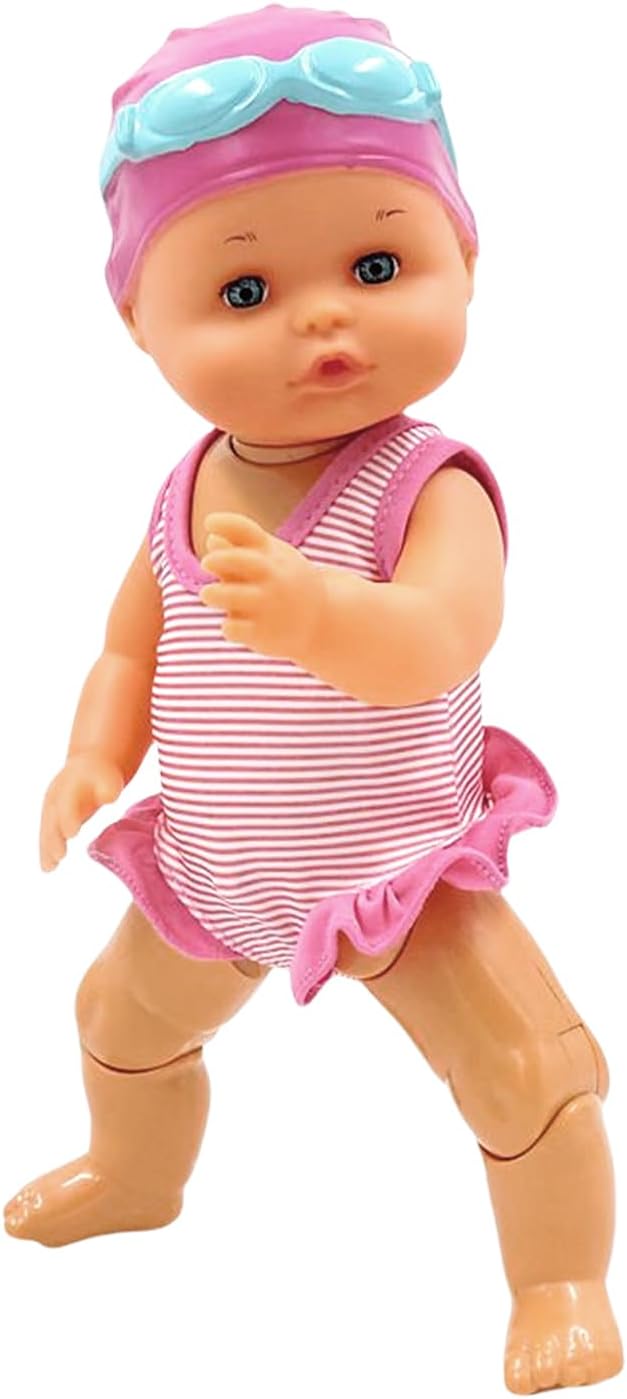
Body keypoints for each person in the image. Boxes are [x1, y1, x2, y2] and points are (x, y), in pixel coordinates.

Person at [5, 7, 623, 1393]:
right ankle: (133, 1174)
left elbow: (443, 638)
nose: (324, 315)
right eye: (243, 291)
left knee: (530, 1075)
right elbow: (130, 649)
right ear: (136, 321)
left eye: (378, 264)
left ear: (468, 258)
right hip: (220, 866)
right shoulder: (183, 491)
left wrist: (322, 616)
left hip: (399, 866)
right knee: (117, 1024)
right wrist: (92, 757)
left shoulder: (426, 483)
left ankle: (561, 1281)